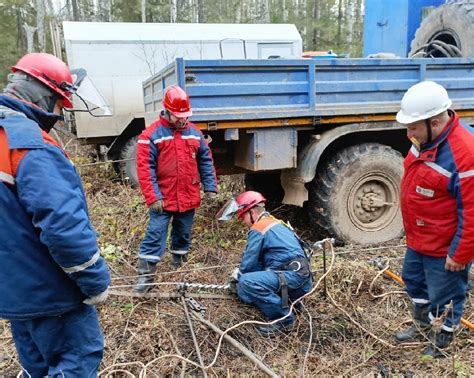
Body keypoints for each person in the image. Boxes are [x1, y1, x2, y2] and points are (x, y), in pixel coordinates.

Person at [0, 53, 111, 376]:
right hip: (51, 294)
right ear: (44, 94)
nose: (60, 113)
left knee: (37, 365)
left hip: (15, 292)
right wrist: (95, 281)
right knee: (76, 363)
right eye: (60, 104)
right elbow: (64, 228)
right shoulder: (30, 145)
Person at [395, 80, 474, 358]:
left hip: (444, 246)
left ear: (436, 121)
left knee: (446, 293)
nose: (408, 133)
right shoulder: (423, 138)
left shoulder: (465, 154)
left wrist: (460, 253)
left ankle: (442, 339)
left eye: (413, 126)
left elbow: (472, 211)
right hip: (420, 237)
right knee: (413, 279)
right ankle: (421, 325)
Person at [135, 85, 218, 293]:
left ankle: (178, 265)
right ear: (168, 111)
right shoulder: (151, 135)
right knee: (155, 234)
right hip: (163, 198)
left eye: (185, 116)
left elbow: (205, 161)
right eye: (179, 116)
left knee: (183, 233)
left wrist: (210, 187)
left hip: (188, 195)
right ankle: (146, 275)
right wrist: (153, 197)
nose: (183, 120)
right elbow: (145, 169)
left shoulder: (194, 133)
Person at [217, 191, 312, 335]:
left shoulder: (259, 228)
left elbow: (249, 264)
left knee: (247, 283)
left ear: (253, 213)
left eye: (243, 217)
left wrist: (238, 279)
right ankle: (293, 305)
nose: (243, 222)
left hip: (292, 278)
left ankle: (284, 319)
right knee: (253, 281)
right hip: (303, 280)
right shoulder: (276, 223)